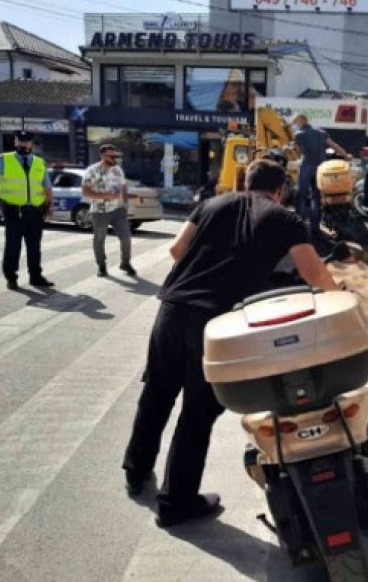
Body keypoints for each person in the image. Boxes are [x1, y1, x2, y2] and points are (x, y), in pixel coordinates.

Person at [122, 159, 343, 528]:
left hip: (173, 309)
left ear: (246, 182)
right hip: (219, 324)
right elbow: (313, 272)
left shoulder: (211, 204)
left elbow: (177, 250)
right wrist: (336, 298)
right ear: (280, 190)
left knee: (157, 393)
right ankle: (176, 503)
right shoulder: (284, 218)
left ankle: (135, 469)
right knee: (198, 411)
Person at [0, 131, 54, 290]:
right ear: (15, 143)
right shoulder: (4, 159)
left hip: (35, 211)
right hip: (13, 210)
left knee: (34, 246)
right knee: (13, 246)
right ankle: (11, 278)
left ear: (32, 144)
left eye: (26, 142)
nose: (23, 145)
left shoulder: (39, 162)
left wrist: (49, 206)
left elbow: (47, 187)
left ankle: (36, 276)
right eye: (20, 141)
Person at [292, 114, 351, 240]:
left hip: (306, 167)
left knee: (302, 197)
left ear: (301, 121)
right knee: (316, 198)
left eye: (296, 121)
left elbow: (295, 150)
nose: (295, 124)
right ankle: (315, 229)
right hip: (320, 169)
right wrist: (346, 155)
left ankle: (299, 226)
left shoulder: (298, 134)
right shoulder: (321, 133)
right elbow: (334, 145)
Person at [82, 144, 135, 277]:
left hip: (117, 210)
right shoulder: (91, 170)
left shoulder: (118, 169)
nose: (115, 159)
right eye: (112, 156)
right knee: (99, 238)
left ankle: (125, 263)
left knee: (126, 238)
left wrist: (125, 203)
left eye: (116, 156)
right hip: (99, 211)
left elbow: (123, 186)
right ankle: (101, 265)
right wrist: (106, 196)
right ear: (102, 156)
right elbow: (85, 191)